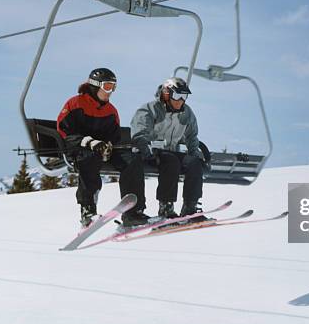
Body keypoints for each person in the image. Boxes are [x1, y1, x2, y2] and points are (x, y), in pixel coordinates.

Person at [57, 67, 147, 228]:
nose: (110, 91)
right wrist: (90, 143)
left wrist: (109, 146)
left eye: (113, 87)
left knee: (132, 160)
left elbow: (114, 135)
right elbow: (64, 130)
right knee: (89, 158)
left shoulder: (110, 110)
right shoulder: (75, 103)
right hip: (80, 148)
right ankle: (88, 211)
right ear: (95, 85)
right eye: (107, 86)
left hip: (103, 150)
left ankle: (133, 212)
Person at [129, 77, 206, 222]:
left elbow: (192, 137)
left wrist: (196, 154)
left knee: (194, 163)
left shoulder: (187, 113)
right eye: (177, 95)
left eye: (184, 96)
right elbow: (139, 131)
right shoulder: (150, 109)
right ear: (166, 94)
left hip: (173, 153)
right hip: (151, 152)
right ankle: (166, 207)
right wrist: (145, 147)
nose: (181, 100)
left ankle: (190, 207)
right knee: (171, 161)